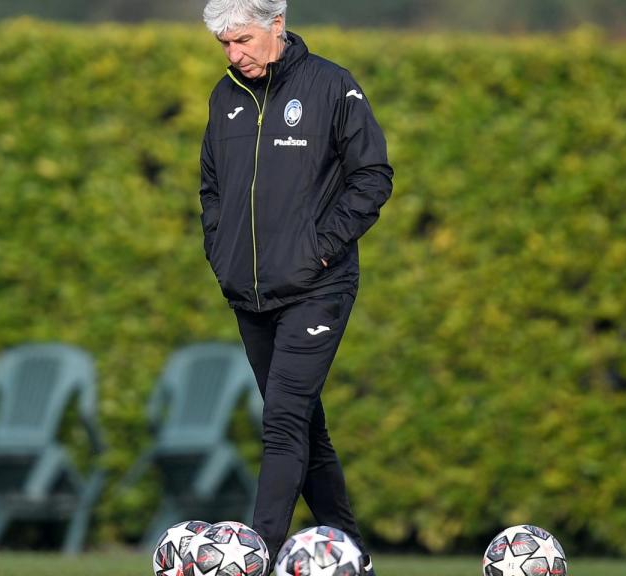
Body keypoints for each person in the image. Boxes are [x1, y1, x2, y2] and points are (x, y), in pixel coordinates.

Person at [198, 1, 393, 574]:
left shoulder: (333, 86)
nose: (235, 55)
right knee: (307, 429)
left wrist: (320, 249)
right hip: (250, 295)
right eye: (225, 45)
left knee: (283, 421)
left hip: (318, 288)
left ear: (276, 25)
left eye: (243, 41)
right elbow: (210, 188)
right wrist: (222, 253)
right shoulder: (223, 98)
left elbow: (373, 176)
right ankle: (353, 557)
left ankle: (250, 560)